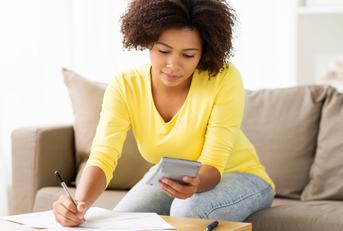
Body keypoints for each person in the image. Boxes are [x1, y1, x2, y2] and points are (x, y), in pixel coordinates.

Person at [53, 0, 275, 227]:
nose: (173, 64)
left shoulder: (222, 78)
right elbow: (103, 157)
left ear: (204, 53)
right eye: (163, 51)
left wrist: (195, 183)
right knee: (120, 222)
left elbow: (214, 165)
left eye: (188, 55)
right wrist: (77, 205)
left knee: (186, 208)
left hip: (242, 177)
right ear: (147, 41)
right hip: (171, 180)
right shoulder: (125, 86)